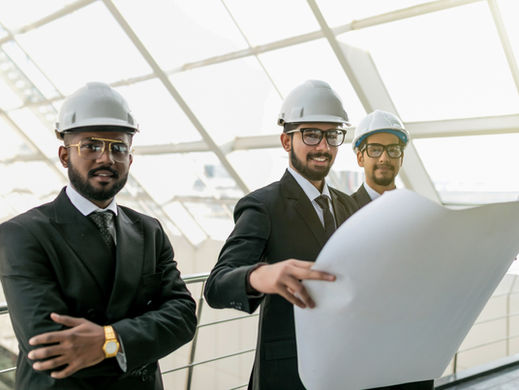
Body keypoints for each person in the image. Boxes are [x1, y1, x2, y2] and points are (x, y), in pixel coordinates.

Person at [0, 82, 197, 390]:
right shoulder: (22, 234)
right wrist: (141, 338)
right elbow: (52, 350)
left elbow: (184, 317)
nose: (106, 159)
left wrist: (110, 340)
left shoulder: (149, 229)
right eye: (90, 146)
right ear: (65, 156)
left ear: (130, 159)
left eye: (118, 147)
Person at [204, 80, 359, 389]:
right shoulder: (263, 206)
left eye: (332, 135)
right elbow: (216, 286)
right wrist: (258, 276)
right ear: (286, 141)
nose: (324, 146)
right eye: (311, 134)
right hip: (289, 374)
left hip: (344, 365)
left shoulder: (349, 205)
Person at [352, 110, 434, 390]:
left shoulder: (421, 212)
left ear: (401, 157)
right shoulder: (341, 213)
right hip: (364, 356)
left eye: (393, 149)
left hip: (414, 353)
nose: (384, 158)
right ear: (360, 156)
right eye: (374, 149)